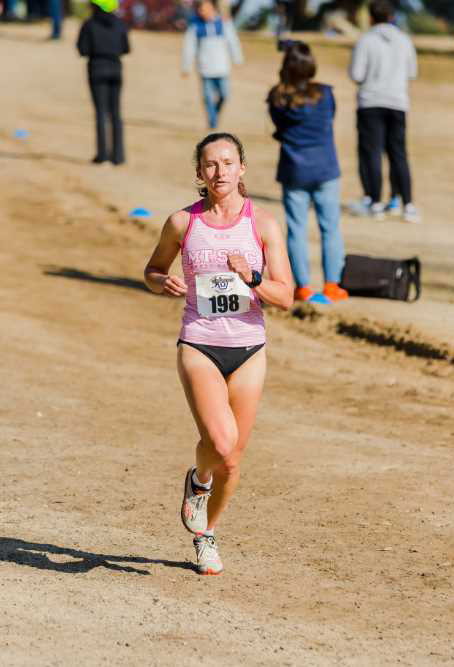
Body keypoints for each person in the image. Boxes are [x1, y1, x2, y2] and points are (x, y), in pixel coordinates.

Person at [144, 132, 293, 575]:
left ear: (242, 168)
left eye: (228, 163)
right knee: (220, 441)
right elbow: (153, 270)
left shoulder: (263, 224)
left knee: (231, 458)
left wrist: (251, 278)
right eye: (211, 165)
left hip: (249, 348)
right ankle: (199, 480)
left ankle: (206, 533)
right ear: (199, 173)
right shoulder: (181, 223)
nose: (220, 171)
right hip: (200, 343)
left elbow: (285, 296)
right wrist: (161, 282)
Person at [267, 41, 348, 303]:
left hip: (294, 170)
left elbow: (278, 126)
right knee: (331, 227)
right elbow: (329, 119)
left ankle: (302, 286)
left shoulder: (277, 97)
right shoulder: (326, 94)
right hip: (325, 168)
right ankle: (332, 284)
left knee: (296, 228)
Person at [348, 0, 420, 223]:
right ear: (392, 17)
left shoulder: (366, 40)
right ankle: (406, 204)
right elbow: (412, 72)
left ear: (370, 17)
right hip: (397, 103)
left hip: (371, 102)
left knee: (371, 154)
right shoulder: (404, 40)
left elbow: (356, 74)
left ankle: (375, 202)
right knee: (398, 153)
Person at [76, 0, 130, 165]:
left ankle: (102, 154)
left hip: (96, 70)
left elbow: (82, 49)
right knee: (116, 113)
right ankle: (118, 156)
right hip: (115, 70)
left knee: (101, 113)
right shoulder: (120, 23)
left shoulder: (89, 24)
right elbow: (126, 48)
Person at [181, 0, 243, 129]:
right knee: (208, 98)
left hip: (222, 68)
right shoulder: (195, 26)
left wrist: (237, 58)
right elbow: (189, 47)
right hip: (205, 69)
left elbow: (233, 42)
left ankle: (215, 114)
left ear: (212, 8)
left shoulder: (224, 23)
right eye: (200, 9)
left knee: (224, 95)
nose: (201, 12)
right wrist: (186, 67)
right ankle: (212, 122)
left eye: (204, 9)